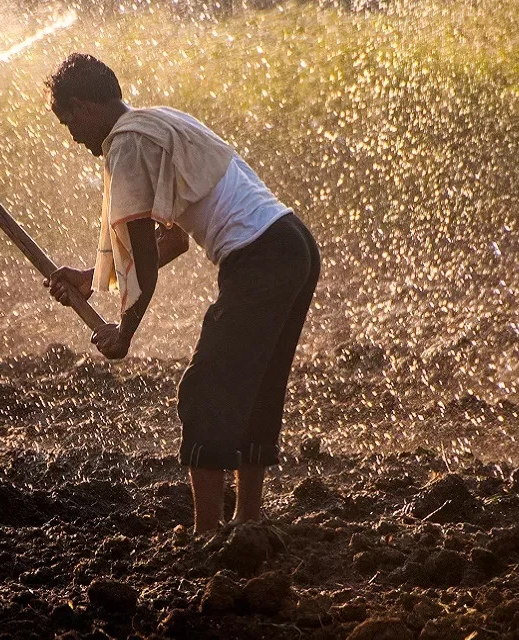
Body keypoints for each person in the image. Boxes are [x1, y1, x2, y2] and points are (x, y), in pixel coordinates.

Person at [42, 53, 321, 534]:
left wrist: (124, 331)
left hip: (258, 258)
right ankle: (248, 522)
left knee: (205, 389)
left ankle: (206, 534)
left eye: (69, 121)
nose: (72, 135)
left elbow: (145, 266)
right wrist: (94, 277)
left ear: (86, 106)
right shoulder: (159, 121)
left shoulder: (124, 145)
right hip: (292, 245)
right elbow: (170, 239)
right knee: (255, 385)